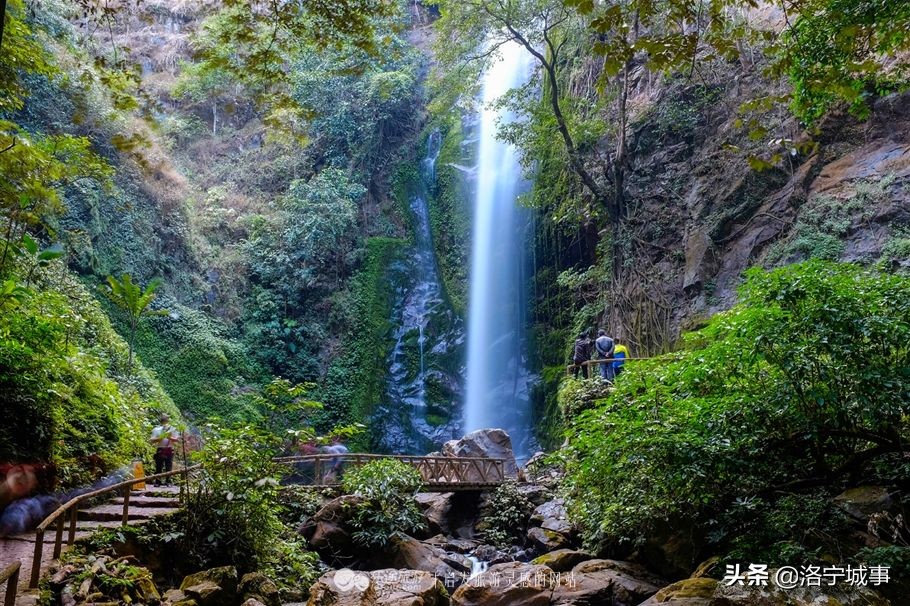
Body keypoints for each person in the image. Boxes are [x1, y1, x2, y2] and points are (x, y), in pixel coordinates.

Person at [149, 414, 180, 485]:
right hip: (160, 448)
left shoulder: (173, 429)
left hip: (169, 448)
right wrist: (160, 438)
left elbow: (177, 439)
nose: (165, 421)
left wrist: (170, 438)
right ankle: (157, 481)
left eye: (166, 419)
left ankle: (168, 481)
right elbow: (152, 440)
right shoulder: (156, 429)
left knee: (168, 466)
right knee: (159, 466)